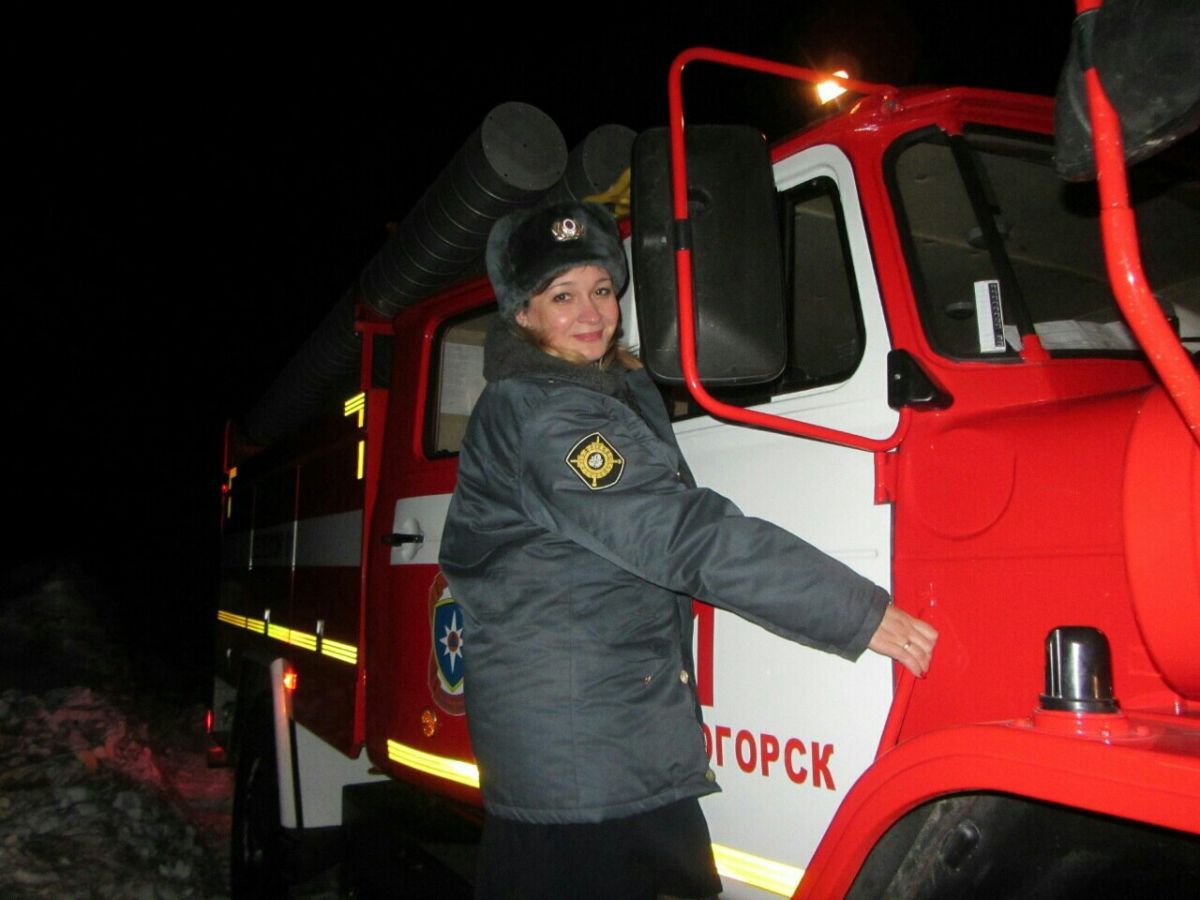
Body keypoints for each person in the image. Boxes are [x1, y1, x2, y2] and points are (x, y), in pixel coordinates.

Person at [439, 201, 937, 899]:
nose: (592, 313)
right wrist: (853, 612)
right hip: (583, 761)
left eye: (603, 290)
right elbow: (676, 531)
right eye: (563, 296)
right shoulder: (546, 415)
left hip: (607, 742)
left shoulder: (599, 393)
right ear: (522, 314)